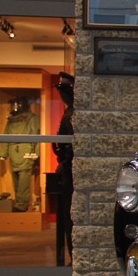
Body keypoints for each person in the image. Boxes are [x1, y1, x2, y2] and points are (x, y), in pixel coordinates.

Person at [0, 97, 39, 212]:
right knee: (16, 179)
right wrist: (3, 154)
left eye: (15, 105)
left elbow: (37, 136)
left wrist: (35, 153)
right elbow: (5, 138)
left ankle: (21, 204)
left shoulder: (32, 119)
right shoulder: (11, 121)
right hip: (14, 153)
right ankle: (18, 202)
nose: (13, 108)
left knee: (23, 180)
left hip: (25, 152)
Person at [52, 73, 75, 261]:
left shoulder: (73, 114)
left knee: (70, 215)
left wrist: (64, 161)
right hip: (67, 167)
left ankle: (73, 255)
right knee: (67, 215)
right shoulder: (69, 113)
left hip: (71, 168)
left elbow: (68, 146)